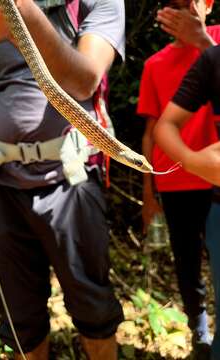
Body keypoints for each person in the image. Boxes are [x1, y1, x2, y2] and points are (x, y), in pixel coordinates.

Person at [0, 1, 125, 359]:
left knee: (94, 308)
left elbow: (85, 81)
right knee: (19, 320)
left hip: (71, 178)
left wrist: (21, 16)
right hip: (0, 179)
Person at [137, 0, 219, 358]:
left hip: (215, 181)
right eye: (174, 6)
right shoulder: (155, 65)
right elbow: (152, 131)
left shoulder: (216, 43)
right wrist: (148, 191)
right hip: (175, 181)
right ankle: (199, 331)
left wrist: (202, 40)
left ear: (207, 5)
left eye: (189, 4)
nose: (183, 12)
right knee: (187, 261)